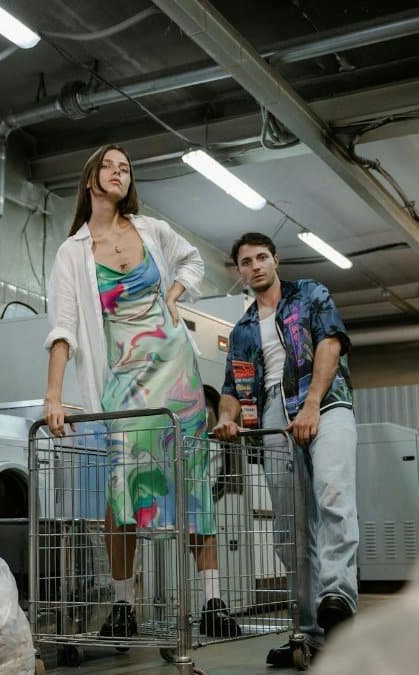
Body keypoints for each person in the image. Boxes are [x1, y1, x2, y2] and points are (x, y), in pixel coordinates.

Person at [43, 144, 240, 639]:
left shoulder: (151, 230)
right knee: (123, 484)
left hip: (177, 371)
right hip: (122, 381)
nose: (118, 173)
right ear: (90, 180)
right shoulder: (73, 252)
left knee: (192, 478)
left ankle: (213, 600)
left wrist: (174, 294)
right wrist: (53, 394)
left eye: (126, 168)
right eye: (109, 166)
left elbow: (192, 262)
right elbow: (62, 329)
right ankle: (125, 603)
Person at [211, 232, 358, 666]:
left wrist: (312, 403)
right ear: (238, 271)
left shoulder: (309, 294)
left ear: (276, 260)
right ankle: (308, 631)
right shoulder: (240, 331)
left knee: (332, 494)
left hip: (324, 399)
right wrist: (225, 417)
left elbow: (330, 344)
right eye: (245, 261)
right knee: (289, 527)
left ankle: (337, 601)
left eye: (261, 257)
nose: (254, 266)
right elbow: (232, 389)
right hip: (272, 413)